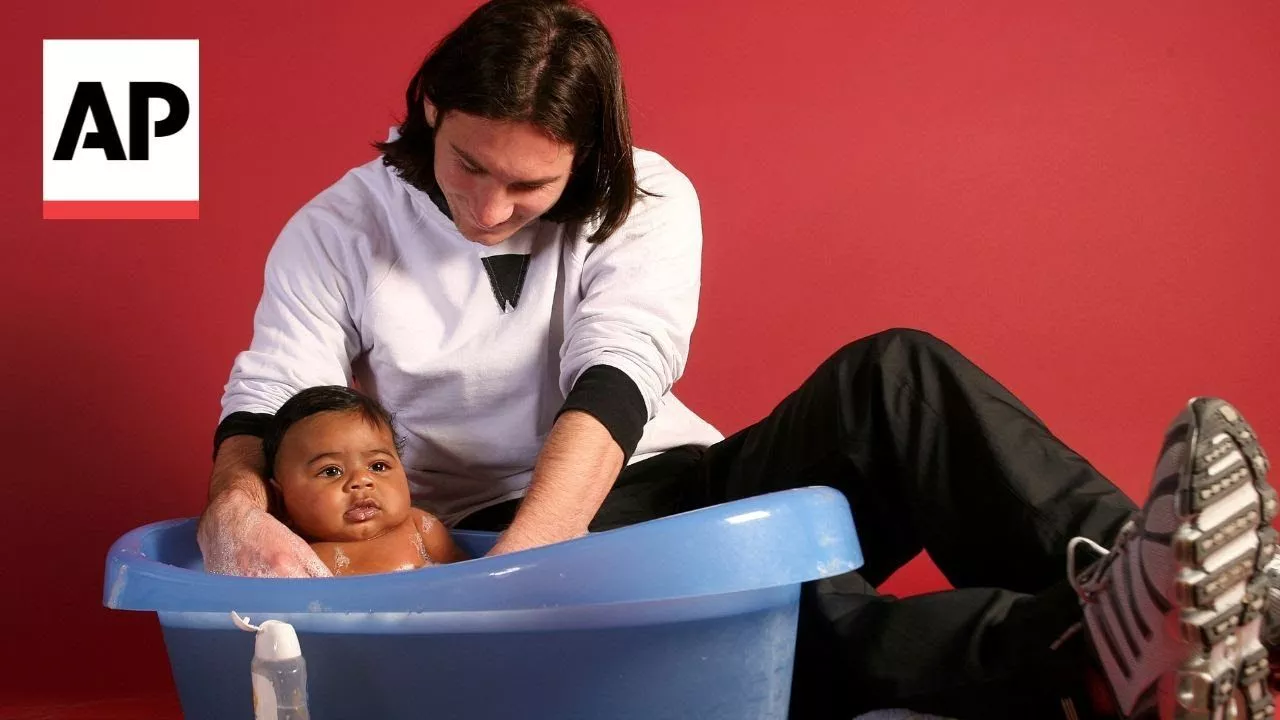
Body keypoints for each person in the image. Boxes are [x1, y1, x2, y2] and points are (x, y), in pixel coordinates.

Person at [195, 1, 1277, 717]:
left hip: (648, 483)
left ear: (591, 159)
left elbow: (614, 379)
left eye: (529, 187)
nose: (489, 206)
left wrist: (537, 565)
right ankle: (1096, 650)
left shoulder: (649, 195)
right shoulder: (337, 228)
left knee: (893, 373)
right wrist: (237, 516)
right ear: (430, 106)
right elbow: (268, 402)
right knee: (784, 610)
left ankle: (1156, 579)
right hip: (491, 535)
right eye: (469, 163)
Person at [262, 385, 467, 576]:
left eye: (378, 466)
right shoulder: (287, 553)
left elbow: (466, 582)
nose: (361, 480)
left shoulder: (421, 529)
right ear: (280, 499)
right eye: (331, 471)